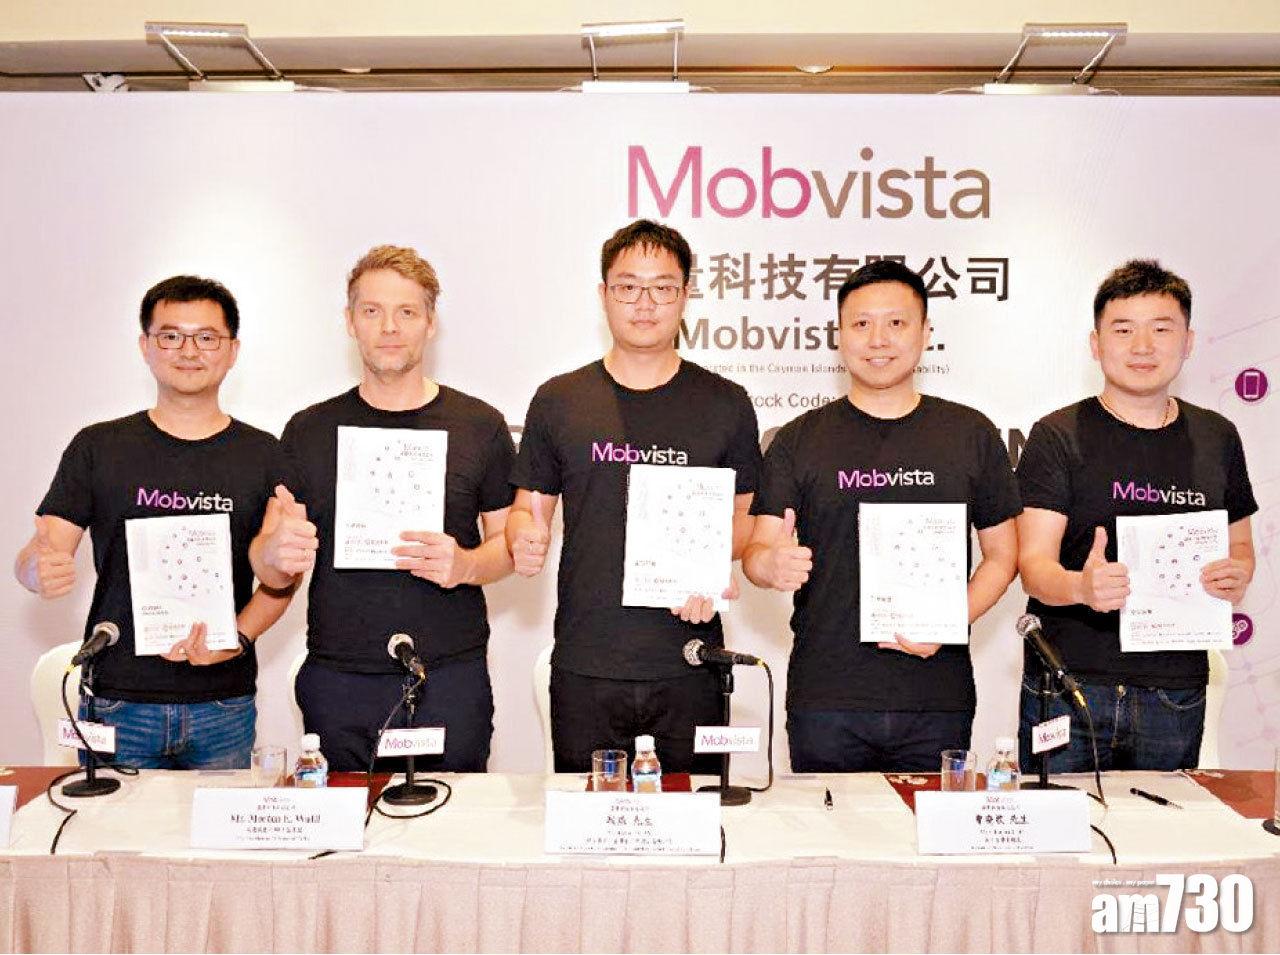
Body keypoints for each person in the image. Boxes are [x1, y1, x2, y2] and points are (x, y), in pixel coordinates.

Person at [743, 259, 1021, 773]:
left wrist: (952, 619)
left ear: (926, 332)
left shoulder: (970, 434)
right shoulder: (799, 439)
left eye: (896, 323)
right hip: (827, 697)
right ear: (839, 335)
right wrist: (769, 564)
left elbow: (1003, 555)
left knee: (933, 823)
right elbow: (758, 552)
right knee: (828, 829)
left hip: (937, 696)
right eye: (861, 324)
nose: (878, 340)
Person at [506, 219, 762, 774]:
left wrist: (712, 564)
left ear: (686, 295)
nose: (645, 303)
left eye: (662, 287)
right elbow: (529, 511)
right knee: (586, 819)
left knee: (696, 817)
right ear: (603, 295)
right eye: (628, 286)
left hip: (692, 658)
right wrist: (523, 537)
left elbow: (744, 520)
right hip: (587, 660)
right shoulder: (559, 400)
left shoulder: (726, 403)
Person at [252, 245, 515, 773]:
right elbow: (269, 562)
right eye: (372, 311)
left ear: (431, 323)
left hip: (449, 674)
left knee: (455, 817)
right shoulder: (309, 429)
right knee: (343, 822)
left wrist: (465, 564)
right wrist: (274, 553)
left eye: (407, 312)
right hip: (339, 677)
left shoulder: (479, 425)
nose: (389, 327)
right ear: (350, 321)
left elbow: (508, 547)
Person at [14, 275, 291, 769]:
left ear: (232, 350)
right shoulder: (98, 447)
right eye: (170, 336)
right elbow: (42, 549)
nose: (189, 350)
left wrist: (239, 639)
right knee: (108, 823)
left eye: (206, 337)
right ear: (145, 346)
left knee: (219, 825)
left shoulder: (266, 455)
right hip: (118, 700)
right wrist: (37, 569)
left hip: (223, 704)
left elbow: (282, 578)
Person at [1015, 259, 1256, 772]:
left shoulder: (1217, 437)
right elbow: (1033, 566)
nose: (1142, 346)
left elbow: (1240, 546)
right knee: (1059, 823)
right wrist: (1081, 587)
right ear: (1096, 344)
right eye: (1123, 330)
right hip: (1070, 684)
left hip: (1175, 691)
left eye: (1161, 329)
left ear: (1188, 342)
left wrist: (1236, 573)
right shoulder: (1058, 435)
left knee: (1165, 823)